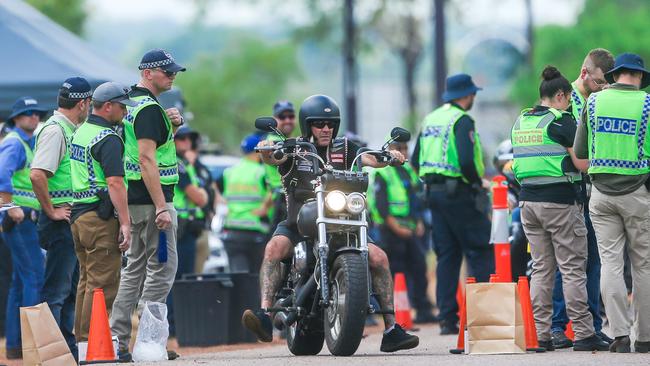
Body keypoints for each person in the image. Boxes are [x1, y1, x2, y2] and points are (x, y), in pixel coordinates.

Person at [242, 95, 419, 352]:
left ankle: (391, 329)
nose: (325, 128)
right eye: (319, 123)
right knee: (273, 250)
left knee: (379, 258)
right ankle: (266, 316)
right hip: (298, 223)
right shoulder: (294, 147)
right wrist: (268, 147)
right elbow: (273, 158)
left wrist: (390, 156)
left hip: (343, 221)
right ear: (307, 125)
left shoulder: (346, 148)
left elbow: (370, 158)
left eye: (329, 124)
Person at [512, 66, 608, 352]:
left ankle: (540, 335)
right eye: (567, 100)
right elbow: (581, 163)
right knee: (573, 269)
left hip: (528, 203)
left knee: (541, 270)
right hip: (560, 204)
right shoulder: (562, 121)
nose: (568, 105)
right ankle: (583, 333)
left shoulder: (521, 122)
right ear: (560, 96)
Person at [110, 49, 185, 361]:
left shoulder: (132, 103)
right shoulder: (150, 109)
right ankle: (149, 344)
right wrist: (161, 207)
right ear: (147, 72)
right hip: (153, 203)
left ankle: (117, 340)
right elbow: (146, 158)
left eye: (173, 72)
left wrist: (172, 127)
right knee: (162, 271)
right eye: (167, 72)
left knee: (134, 271)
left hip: (133, 200)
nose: (172, 76)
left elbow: (147, 147)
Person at [574, 53, 650, 353]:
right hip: (638, 194)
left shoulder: (593, 103)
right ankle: (644, 338)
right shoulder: (646, 104)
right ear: (640, 77)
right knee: (643, 265)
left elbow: (580, 150)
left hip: (601, 195)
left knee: (610, 264)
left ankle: (618, 336)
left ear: (615, 75)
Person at [411, 73, 494, 335]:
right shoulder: (462, 120)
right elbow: (468, 161)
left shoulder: (431, 119)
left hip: (433, 194)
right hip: (459, 192)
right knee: (479, 249)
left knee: (447, 256)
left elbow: (415, 161)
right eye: (473, 94)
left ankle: (447, 319)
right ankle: (483, 316)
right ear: (467, 95)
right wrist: (476, 183)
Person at [551, 48, 615, 348]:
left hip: (592, 190)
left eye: (607, 83)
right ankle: (560, 326)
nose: (604, 87)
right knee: (570, 263)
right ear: (585, 72)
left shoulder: (595, 100)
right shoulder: (568, 100)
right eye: (600, 81)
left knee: (592, 262)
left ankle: (590, 325)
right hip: (571, 190)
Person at [29, 78, 91, 358]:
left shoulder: (66, 129)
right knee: (57, 291)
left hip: (68, 219)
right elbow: (37, 173)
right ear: (83, 103)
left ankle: (66, 352)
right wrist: (52, 210)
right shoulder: (56, 131)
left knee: (67, 291)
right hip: (59, 221)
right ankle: (53, 355)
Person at [68, 82, 133, 344]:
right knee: (102, 286)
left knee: (86, 283)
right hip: (99, 218)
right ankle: (91, 347)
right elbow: (115, 182)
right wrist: (126, 223)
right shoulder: (107, 138)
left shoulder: (81, 131)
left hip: (79, 216)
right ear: (108, 106)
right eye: (121, 107)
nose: (124, 112)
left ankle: (84, 345)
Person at [368, 138, 436, 324]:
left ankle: (422, 309)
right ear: (390, 149)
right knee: (396, 270)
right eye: (399, 148)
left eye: (405, 147)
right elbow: (381, 205)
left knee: (419, 267)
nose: (403, 151)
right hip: (391, 230)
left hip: (411, 228)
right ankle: (395, 313)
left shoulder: (408, 171)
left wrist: (419, 222)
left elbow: (416, 198)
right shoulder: (383, 173)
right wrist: (396, 227)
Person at [0, 97, 47, 360]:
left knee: (20, 282)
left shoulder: (28, 143)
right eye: (27, 113)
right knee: (34, 278)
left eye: (36, 113)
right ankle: (33, 347)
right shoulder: (15, 143)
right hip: (20, 221)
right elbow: (1, 174)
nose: (33, 117)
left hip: (23, 220)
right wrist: (9, 207)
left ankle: (17, 346)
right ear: (16, 119)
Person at [219, 133, 271, 273]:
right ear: (257, 151)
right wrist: (265, 207)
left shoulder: (230, 171)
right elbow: (274, 192)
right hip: (255, 230)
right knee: (256, 277)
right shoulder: (262, 172)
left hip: (232, 230)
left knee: (238, 277)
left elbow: (221, 195)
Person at [173, 126, 208, 278]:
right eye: (182, 138)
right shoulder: (176, 163)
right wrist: (202, 195)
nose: (187, 142)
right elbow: (199, 198)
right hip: (180, 225)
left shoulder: (185, 163)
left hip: (187, 225)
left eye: (189, 138)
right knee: (181, 275)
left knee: (187, 274)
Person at [266, 100, 296, 228]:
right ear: (274, 120)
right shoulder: (272, 142)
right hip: (282, 201)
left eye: (291, 116)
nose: (287, 120)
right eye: (282, 117)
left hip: (294, 198)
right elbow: (275, 158)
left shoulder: (289, 141)